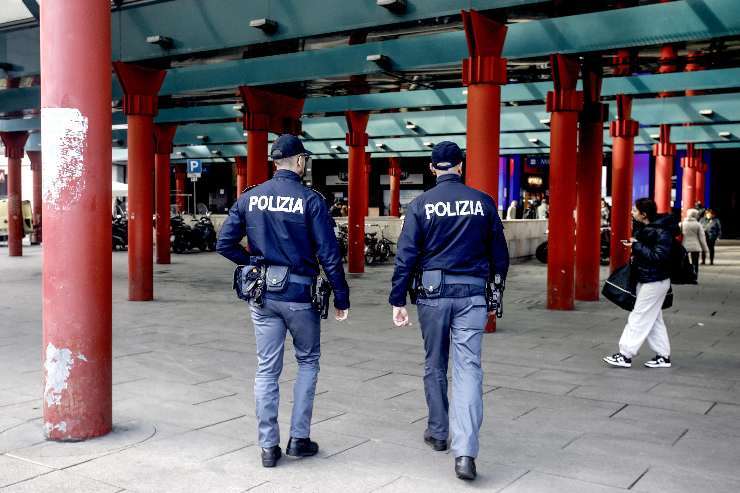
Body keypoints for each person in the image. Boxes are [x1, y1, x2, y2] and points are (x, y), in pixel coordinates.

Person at [217, 134, 350, 468]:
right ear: (300, 162)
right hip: (300, 295)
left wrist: (253, 264)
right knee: (307, 361)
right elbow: (329, 254)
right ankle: (299, 439)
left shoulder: (251, 197)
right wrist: (341, 295)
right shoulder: (311, 200)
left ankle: (267, 447)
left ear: (275, 162)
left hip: (262, 295)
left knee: (266, 368)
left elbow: (224, 243)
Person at [388, 141, 509, 481]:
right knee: (468, 368)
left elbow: (406, 256)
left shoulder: (420, 205)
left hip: (432, 294)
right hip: (472, 294)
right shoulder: (483, 202)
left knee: (434, 363)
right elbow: (500, 255)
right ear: (461, 166)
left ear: (432, 169)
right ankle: (466, 452)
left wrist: (398, 299)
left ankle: (439, 432)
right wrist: (496, 289)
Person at [603, 198, 677, 369]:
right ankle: (663, 356)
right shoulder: (649, 228)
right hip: (649, 279)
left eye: (635, 210)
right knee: (653, 319)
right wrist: (636, 244)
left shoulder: (661, 232)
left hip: (654, 280)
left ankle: (625, 354)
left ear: (644, 214)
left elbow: (658, 256)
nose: (632, 212)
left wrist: (636, 246)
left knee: (639, 317)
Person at [681, 208, 708, 277]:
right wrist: (705, 248)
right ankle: (695, 276)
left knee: (684, 262)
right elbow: (702, 237)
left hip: (684, 245)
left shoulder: (682, 224)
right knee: (695, 263)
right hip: (696, 246)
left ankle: (685, 276)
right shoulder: (698, 225)